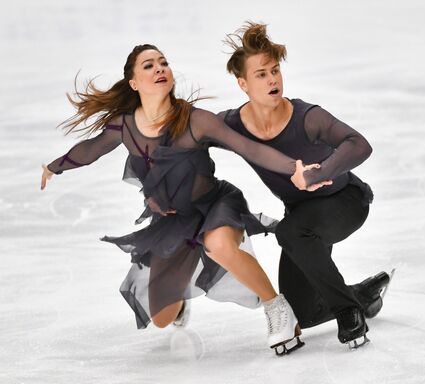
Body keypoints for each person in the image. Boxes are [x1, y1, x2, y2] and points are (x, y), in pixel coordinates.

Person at [40, 44, 328, 354]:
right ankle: (178, 306)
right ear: (134, 83)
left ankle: (277, 308)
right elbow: (91, 149)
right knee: (162, 318)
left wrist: (292, 168)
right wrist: (54, 167)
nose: (160, 68)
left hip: (216, 206)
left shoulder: (195, 120)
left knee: (217, 245)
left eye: (163, 62)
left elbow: (249, 148)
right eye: (149, 65)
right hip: (174, 222)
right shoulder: (126, 126)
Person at [219, 22, 391, 349]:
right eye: (261, 74)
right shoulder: (234, 126)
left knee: (290, 232)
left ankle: (348, 312)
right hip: (303, 217)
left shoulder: (306, 117)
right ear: (243, 83)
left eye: (275, 71)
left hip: (346, 201)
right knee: (305, 312)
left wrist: (320, 172)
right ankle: (362, 294)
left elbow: (359, 144)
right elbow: (195, 135)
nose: (272, 79)